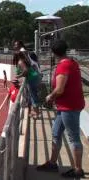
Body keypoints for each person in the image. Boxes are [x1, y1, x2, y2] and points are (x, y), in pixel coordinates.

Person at [37, 40, 85, 178]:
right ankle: (52, 163)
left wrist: (50, 97)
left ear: (54, 53)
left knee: (73, 137)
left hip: (69, 107)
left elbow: (60, 89)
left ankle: (78, 169)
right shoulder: (72, 62)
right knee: (56, 133)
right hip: (67, 106)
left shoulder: (63, 66)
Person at [16, 51, 41, 118]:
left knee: (33, 96)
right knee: (34, 95)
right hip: (36, 77)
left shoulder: (21, 62)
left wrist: (19, 76)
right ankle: (36, 111)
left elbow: (26, 70)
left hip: (31, 79)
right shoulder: (27, 60)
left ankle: (36, 113)